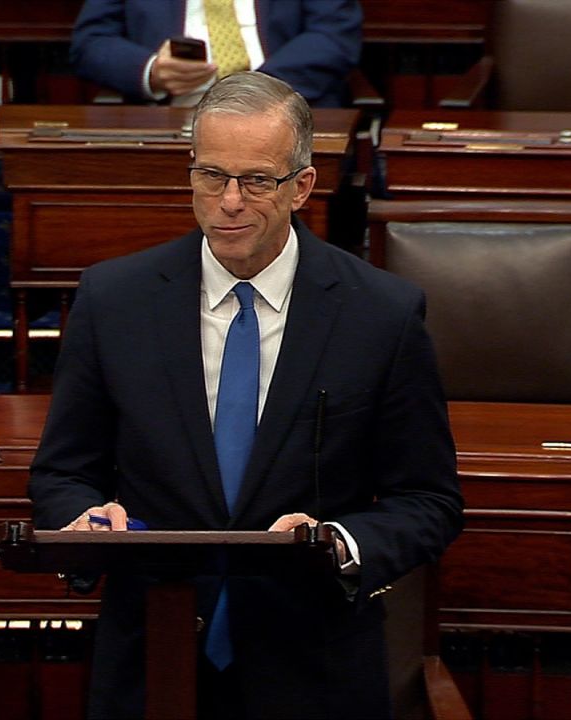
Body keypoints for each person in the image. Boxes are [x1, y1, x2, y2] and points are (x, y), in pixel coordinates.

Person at [28, 71, 463, 719]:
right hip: (153, 659)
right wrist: (87, 520)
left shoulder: (381, 315)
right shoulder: (113, 300)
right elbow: (64, 471)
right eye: (211, 176)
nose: (230, 202)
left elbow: (428, 500)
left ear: (303, 188)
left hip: (312, 667)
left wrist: (338, 541)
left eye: (256, 180)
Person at [70, 0, 361, 107]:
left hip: (284, 110)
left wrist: (252, 93)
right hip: (170, 119)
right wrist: (152, 71)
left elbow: (333, 36)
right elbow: (91, 43)